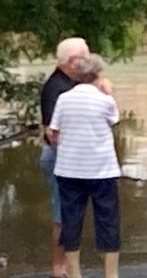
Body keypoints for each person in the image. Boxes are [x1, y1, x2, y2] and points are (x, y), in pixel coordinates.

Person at [48, 54, 120, 278]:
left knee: (71, 220)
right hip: (102, 169)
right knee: (107, 221)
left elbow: (53, 131)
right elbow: (114, 121)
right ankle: (111, 274)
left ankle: (75, 272)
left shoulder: (63, 98)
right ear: (97, 75)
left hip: (69, 169)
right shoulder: (105, 100)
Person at [40, 37, 90, 278]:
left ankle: (68, 264)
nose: (89, 62)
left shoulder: (74, 82)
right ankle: (59, 266)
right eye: (85, 57)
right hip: (60, 158)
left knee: (71, 211)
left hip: (73, 156)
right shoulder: (55, 88)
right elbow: (52, 133)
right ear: (72, 62)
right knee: (63, 212)